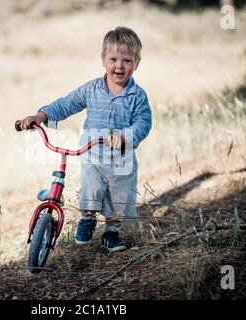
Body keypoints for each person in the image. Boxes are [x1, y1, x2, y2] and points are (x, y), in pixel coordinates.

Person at [19, 26, 152, 252]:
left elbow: (144, 123)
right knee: (91, 187)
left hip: (122, 156)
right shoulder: (91, 89)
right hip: (93, 153)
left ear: (136, 63)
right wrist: (41, 116)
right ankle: (88, 218)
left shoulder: (137, 96)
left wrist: (125, 136)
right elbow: (67, 103)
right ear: (103, 59)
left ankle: (112, 232)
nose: (119, 66)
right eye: (113, 59)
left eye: (127, 61)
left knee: (119, 196)